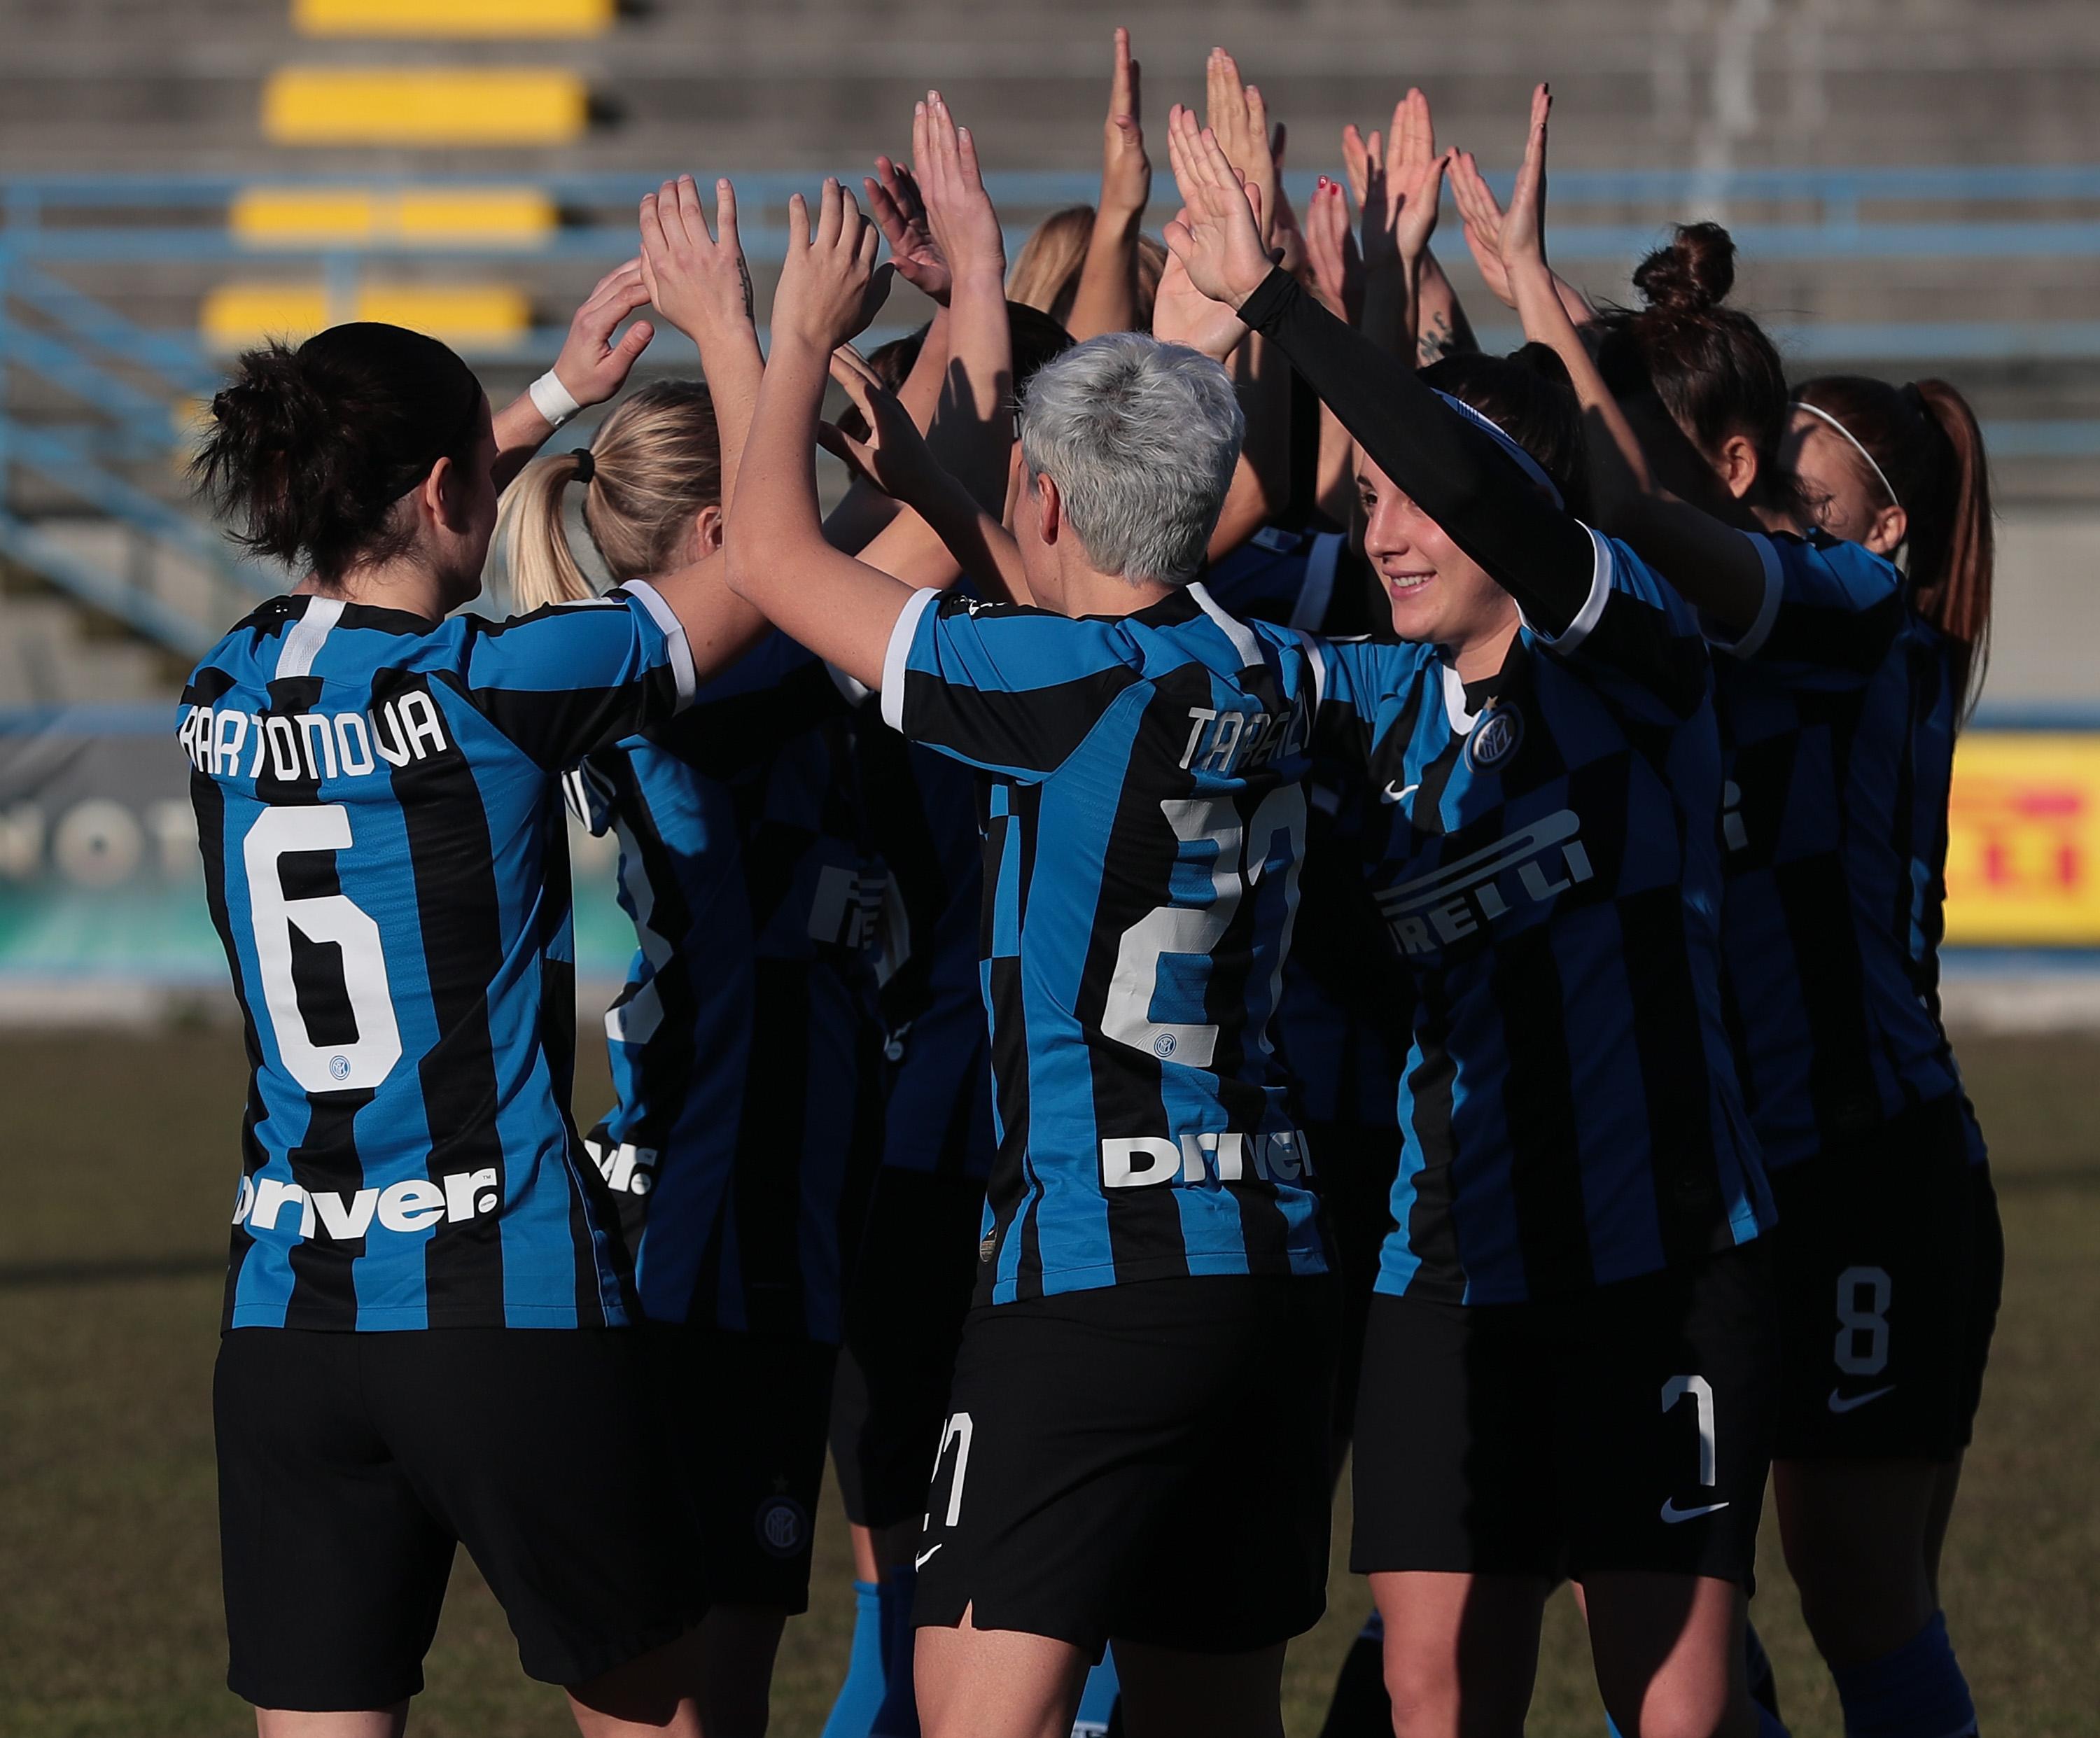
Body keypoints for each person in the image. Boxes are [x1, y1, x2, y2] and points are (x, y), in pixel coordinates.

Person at [724, 96, 1338, 1736]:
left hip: (1094, 1270)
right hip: (1272, 1247)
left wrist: (789, 341)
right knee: (1216, 1712)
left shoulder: (1055, 685)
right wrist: (979, 293)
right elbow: (1045, 577)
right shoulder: (1277, 667)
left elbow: (775, 557)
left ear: (1054, 504)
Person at [1168, 102, 1779, 1738]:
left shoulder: (1631, 660)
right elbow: (1160, 607)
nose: (1384, 530)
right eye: (1366, 500)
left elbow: (1488, 494)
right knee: (1431, 1692)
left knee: (1676, 1708)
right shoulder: (1370, 700)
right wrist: (1198, 316)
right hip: (1441, 1276)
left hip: (1660, 1265)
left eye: (1415, 499)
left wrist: (1294, 314)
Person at [1467, 87, 1999, 1738]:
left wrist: (1541, 304)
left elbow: (1634, 517)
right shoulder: (1689, 636)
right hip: (1716, 1189)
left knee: (1855, 1592)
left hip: (1864, 1171)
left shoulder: (1852, 614)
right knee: (1652, 1590)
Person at [178, 262, 765, 1736]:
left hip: (286, 1315)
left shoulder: (222, 682)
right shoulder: (506, 686)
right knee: (652, 1718)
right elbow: (762, 558)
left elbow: (378, 503)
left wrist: (560, 393)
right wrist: (772, 338)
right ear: (449, 486)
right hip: (500, 1304)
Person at [497, 177, 890, 1738]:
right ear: (727, 541)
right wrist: (765, 336)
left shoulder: (697, 676)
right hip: (722, 1235)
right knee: (706, 1695)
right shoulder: (720, 697)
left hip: (739, 1207)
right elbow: (883, 546)